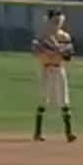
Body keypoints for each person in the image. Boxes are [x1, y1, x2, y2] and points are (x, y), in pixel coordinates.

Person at [32, 9, 76, 142]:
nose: (58, 23)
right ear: (49, 21)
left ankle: (69, 133)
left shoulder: (64, 36)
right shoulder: (42, 35)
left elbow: (69, 56)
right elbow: (36, 51)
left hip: (59, 69)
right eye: (55, 20)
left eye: (60, 20)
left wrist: (61, 50)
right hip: (46, 69)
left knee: (64, 99)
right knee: (43, 99)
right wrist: (48, 49)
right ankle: (37, 133)